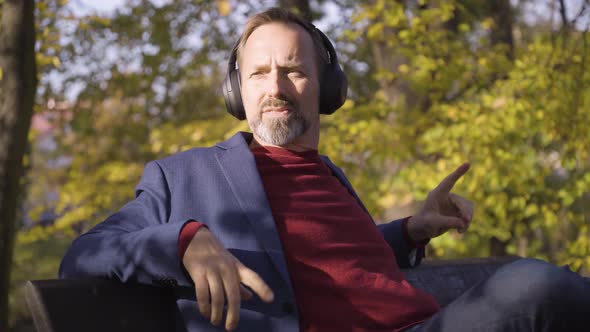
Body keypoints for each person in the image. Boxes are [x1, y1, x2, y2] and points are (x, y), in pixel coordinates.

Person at [60, 7, 590, 332]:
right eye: (260, 73)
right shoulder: (183, 176)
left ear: (328, 88)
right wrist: (182, 241)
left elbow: (334, 267)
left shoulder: (330, 175)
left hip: (425, 321)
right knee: (533, 286)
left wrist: (408, 231)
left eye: (293, 70)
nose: (275, 87)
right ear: (236, 92)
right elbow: (83, 254)